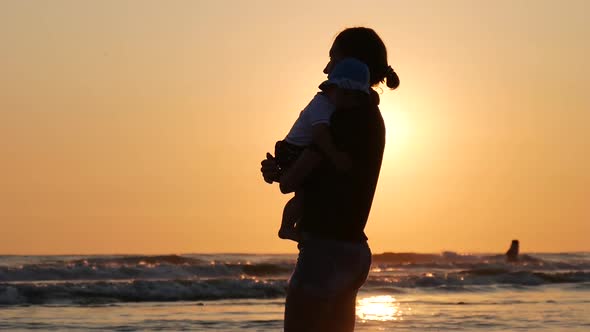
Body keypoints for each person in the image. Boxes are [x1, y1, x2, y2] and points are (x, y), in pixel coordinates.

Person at [260, 27, 399, 331]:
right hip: (352, 251)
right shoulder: (370, 118)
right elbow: (324, 177)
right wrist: (284, 172)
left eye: (332, 60)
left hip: (326, 252)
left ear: (350, 66)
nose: (325, 69)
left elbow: (292, 182)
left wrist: (283, 176)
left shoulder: (343, 121)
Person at [272, 58, 373, 242]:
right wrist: (335, 156)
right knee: (303, 195)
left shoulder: (337, 106)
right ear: (331, 89)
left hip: (298, 150)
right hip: (293, 150)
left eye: (355, 98)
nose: (348, 102)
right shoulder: (321, 104)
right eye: (344, 95)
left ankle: (288, 226)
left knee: (305, 194)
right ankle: (286, 227)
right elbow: (320, 135)